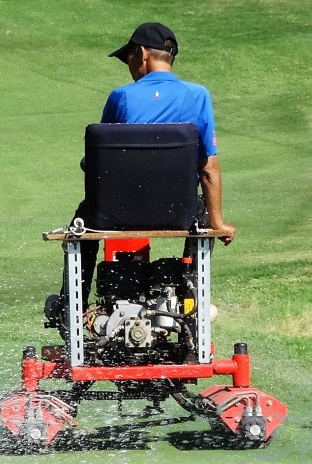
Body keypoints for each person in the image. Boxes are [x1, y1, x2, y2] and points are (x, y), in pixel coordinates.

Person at [58, 23, 235, 309]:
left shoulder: (122, 97)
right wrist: (218, 222)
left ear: (142, 54)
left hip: (117, 213)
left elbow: (97, 163)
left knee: (82, 220)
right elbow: (208, 168)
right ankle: (190, 300)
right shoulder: (198, 96)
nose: (129, 67)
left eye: (128, 59)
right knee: (202, 218)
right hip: (178, 211)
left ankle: (71, 307)